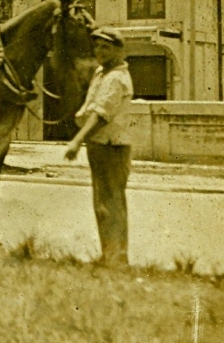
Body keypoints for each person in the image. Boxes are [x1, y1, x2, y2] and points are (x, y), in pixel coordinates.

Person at [65, 26, 134, 267]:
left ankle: (117, 260)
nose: (100, 51)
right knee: (103, 204)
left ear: (120, 50)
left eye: (106, 47)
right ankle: (110, 256)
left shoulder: (116, 78)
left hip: (112, 146)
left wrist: (76, 140)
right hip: (99, 145)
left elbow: (101, 115)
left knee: (111, 203)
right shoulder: (101, 73)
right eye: (97, 46)